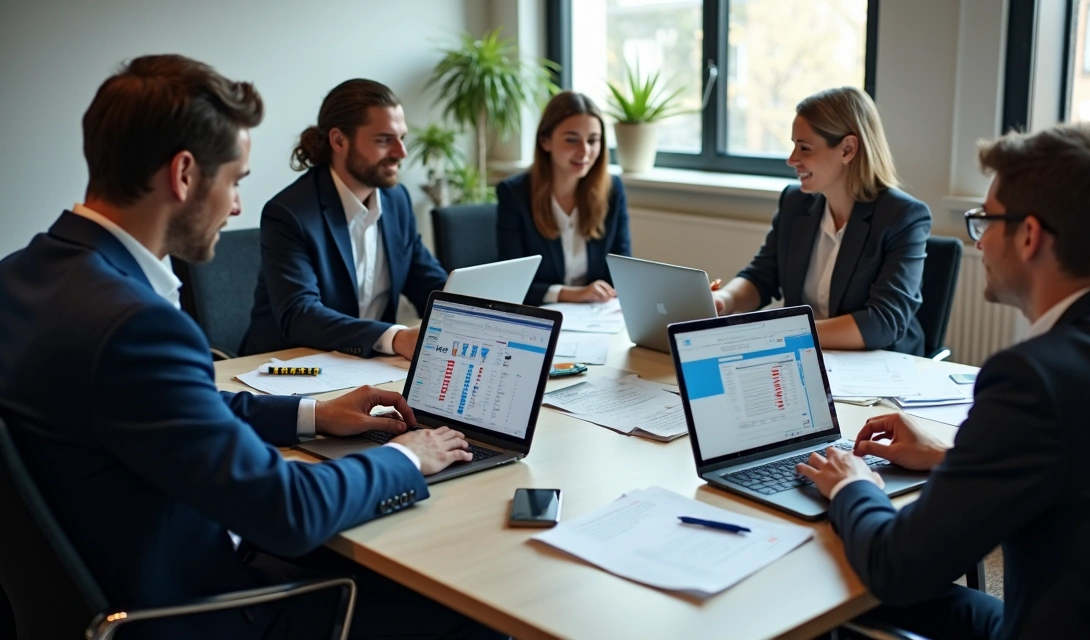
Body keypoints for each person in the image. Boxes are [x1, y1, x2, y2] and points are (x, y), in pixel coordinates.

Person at [0, 55, 496, 639]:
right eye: (235, 181)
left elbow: (167, 411)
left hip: (99, 589)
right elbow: (292, 512)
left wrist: (314, 413)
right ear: (184, 174)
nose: (237, 206)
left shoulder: (21, 276)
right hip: (193, 613)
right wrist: (410, 456)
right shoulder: (137, 325)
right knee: (471, 612)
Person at [799, 122, 1090, 639]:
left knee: (834, 589)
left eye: (985, 221)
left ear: (1029, 235)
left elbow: (898, 568)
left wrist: (851, 485)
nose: (979, 242)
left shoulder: (1035, 378)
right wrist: (952, 458)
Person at [712, 87, 931, 355]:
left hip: (877, 366)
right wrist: (724, 300)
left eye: (804, 148)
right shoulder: (795, 203)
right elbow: (761, 277)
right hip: (805, 356)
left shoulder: (902, 217)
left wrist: (784, 333)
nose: (792, 159)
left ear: (847, 149)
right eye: (794, 145)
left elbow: (883, 322)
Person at [242, 79, 447, 359]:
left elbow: (426, 281)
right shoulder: (290, 213)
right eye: (384, 140)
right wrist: (394, 337)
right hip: (290, 371)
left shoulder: (396, 200)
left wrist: (478, 312)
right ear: (339, 141)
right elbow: (301, 314)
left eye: (402, 138)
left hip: (368, 367)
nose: (401, 153)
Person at [497, 91, 631, 306]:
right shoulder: (515, 194)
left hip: (597, 317)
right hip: (542, 315)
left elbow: (623, 272)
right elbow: (513, 282)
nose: (585, 151)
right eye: (572, 140)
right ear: (545, 141)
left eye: (593, 140)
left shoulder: (613, 190)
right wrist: (571, 294)